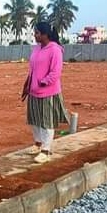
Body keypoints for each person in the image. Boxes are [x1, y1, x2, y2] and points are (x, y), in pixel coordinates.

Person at [23, 22, 69, 164]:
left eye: (37, 33)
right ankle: (37, 144)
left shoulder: (55, 50)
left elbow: (55, 72)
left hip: (47, 92)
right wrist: (28, 84)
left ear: (45, 34)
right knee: (35, 120)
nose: (35, 35)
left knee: (46, 122)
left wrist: (43, 82)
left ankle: (46, 150)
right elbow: (32, 69)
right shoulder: (36, 48)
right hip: (33, 91)